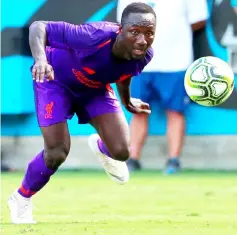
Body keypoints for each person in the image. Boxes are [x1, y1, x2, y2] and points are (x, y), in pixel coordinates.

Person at [7, 2, 156, 224]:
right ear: (121, 29)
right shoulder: (93, 36)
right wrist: (40, 60)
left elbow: (125, 73)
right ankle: (21, 197)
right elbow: (38, 27)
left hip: (94, 89)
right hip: (54, 80)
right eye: (135, 32)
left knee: (122, 151)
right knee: (57, 152)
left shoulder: (143, 55)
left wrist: (127, 101)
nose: (142, 40)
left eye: (149, 33)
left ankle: (102, 146)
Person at [117, 0, 208, 174]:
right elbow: (123, 24)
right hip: (139, 63)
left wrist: (171, 33)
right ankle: (133, 159)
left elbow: (198, 20)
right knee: (137, 111)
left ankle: (173, 161)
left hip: (176, 62)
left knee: (175, 111)